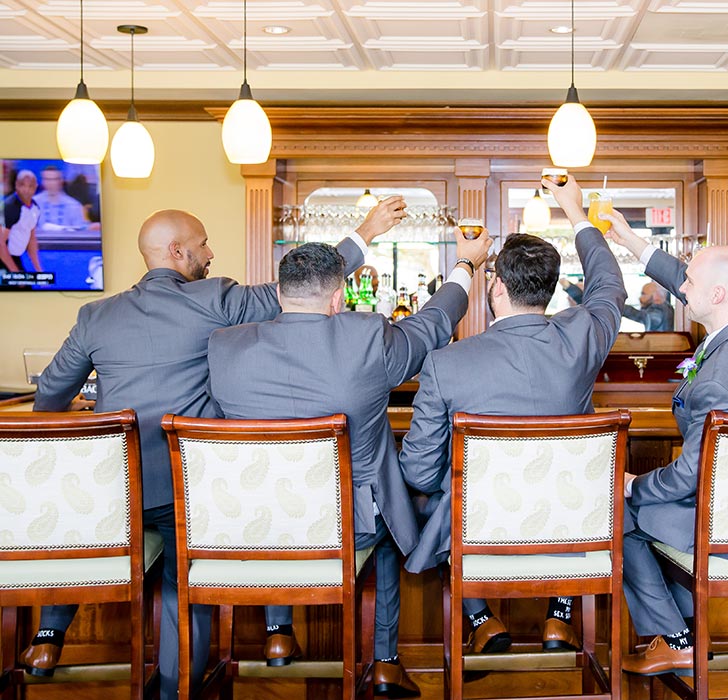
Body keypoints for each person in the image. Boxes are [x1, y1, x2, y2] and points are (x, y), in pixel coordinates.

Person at [23, 199, 406, 699]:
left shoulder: (96, 315)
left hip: (113, 489)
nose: (211, 253)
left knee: (83, 522)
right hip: (190, 492)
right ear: (179, 251)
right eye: (203, 244)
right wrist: (364, 232)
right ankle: (175, 687)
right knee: (185, 576)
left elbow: (50, 396)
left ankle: (49, 636)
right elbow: (295, 291)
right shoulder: (213, 300)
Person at [206, 230, 491, 697]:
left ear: (278, 293)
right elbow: (433, 323)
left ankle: (279, 634)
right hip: (346, 526)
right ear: (339, 297)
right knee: (384, 527)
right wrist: (465, 265)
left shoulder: (225, 347)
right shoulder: (366, 336)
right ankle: (384, 661)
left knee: (282, 507)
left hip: (254, 524)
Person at [400, 174, 626, 655]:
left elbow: (418, 470)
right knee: (572, 496)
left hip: (479, 529)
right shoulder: (583, 336)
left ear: (496, 286)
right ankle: (559, 616)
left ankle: (481, 617)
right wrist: (577, 212)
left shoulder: (445, 361)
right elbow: (609, 286)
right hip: (570, 522)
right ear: (552, 290)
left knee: (426, 501)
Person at [601, 212, 728, 675]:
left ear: (717, 295)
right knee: (644, 516)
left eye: (691, 278)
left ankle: (678, 639)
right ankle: (687, 634)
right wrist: (632, 243)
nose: (682, 284)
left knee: (619, 517)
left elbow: (690, 476)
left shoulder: (720, 380)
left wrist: (631, 485)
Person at [564, 278, 674, 331]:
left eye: (643, 294)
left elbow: (641, 316)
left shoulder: (659, 311)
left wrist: (615, 305)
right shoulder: (665, 309)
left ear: (656, 297)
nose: (640, 298)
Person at [2, 169, 43, 273]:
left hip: (14, 258)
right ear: (16, 185)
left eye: (30, 186)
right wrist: (15, 273)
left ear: (35, 187)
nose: (26, 190)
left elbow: (31, 240)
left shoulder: (35, 208)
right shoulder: (10, 207)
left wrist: (39, 270)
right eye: (22, 185)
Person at [33, 166, 96, 230]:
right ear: (43, 181)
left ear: (61, 181)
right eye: (47, 179)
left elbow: (80, 231)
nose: (51, 183)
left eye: (55, 179)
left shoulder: (74, 205)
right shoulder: (33, 203)